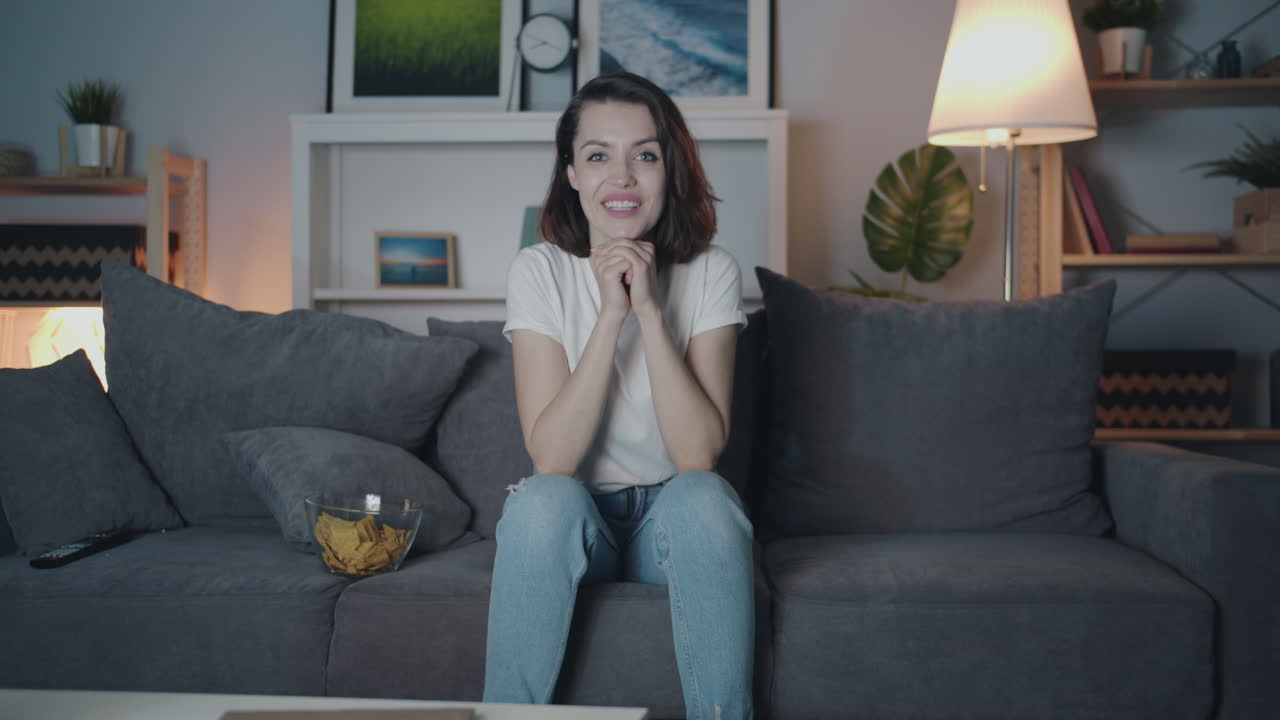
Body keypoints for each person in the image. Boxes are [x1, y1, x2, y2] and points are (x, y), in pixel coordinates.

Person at [483, 71, 755, 720]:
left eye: (646, 156)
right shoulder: (540, 270)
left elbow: (697, 454)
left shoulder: (711, 271)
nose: (623, 177)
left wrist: (651, 311)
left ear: (672, 169)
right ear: (572, 172)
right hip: (580, 522)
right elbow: (552, 455)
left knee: (703, 496)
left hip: (674, 522)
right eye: (599, 156)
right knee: (542, 498)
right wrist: (610, 317)